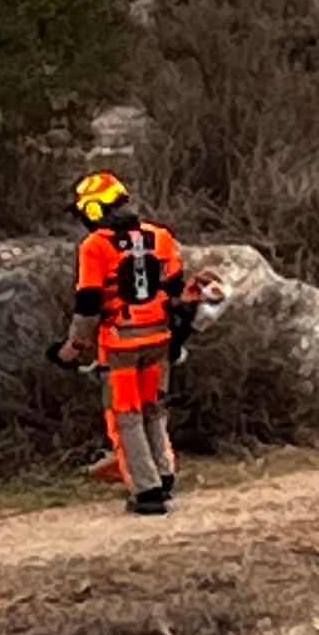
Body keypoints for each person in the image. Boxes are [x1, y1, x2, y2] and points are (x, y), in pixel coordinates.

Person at [61, 171, 205, 514]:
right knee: (154, 411)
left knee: (127, 418)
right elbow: (176, 292)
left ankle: (147, 490)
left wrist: (74, 346)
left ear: (94, 211)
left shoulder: (94, 247)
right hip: (159, 338)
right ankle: (164, 474)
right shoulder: (160, 237)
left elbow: (89, 306)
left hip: (121, 345)